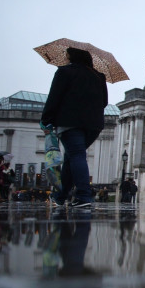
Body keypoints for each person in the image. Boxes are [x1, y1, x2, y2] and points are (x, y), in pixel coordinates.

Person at [41, 47, 108, 209]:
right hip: (94, 125)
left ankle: (84, 195)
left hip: (70, 121)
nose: (65, 56)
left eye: (67, 54)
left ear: (73, 56)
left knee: (76, 155)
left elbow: (54, 97)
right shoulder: (99, 76)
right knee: (71, 158)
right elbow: (104, 102)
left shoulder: (64, 72)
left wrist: (46, 120)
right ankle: (61, 196)